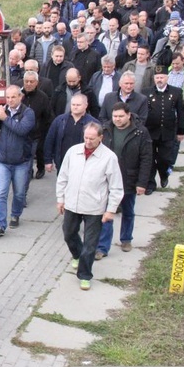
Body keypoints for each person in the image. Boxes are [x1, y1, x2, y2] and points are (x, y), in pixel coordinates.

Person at [56, 122, 124, 290]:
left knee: (90, 244)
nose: (88, 141)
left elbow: (116, 186)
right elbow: (63, 176)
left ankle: (85, 275)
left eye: (92, 139)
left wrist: (111, 209)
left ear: (100, 137)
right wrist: (60, 198)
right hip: (72, 203)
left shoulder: (109, 157)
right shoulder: (73, 152)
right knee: (68, 234)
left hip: (95, 207)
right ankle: (77, 255)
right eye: (86, 137)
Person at [96, 103, 153, 259]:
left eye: (121, 116)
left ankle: (126, 239)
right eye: (115, 116)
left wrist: (142, 183)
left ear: (129, 115)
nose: (117, 119)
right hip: (107, 179)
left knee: (128, 211)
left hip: (128, 178)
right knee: (107, 213)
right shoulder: (105, 130)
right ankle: (102, 247)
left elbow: (146, 158)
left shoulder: (141, 132)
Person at [0, 85, 35, 236]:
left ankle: (15, 213)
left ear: (20, 97)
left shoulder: (28, 113)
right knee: (0, 193)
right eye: (8, 97)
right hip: (2, 161)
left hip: (21, 161)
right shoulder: (3, 112)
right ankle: (0, 225)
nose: (10, 100)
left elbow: (22, 130)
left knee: (19, 193)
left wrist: (5, 118)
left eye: (13, 97)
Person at [144, 67, 184, 194]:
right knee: (150, 159)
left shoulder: (176, 92)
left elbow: (181, 113)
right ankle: (150, 183)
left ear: (167, 78)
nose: (159, 80)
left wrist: (180, 131)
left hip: (168, 132)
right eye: (157, 78)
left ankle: (163, 174)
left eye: (162, 77)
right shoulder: (146, 92)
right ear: (154, 79)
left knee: (164, 159)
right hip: (151, 131)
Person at [45, 94, 100, 173]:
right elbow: (50, 140)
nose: (75, 107)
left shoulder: (93, 123)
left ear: (86, 105)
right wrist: (48, 160)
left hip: (85, 163)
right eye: (73, 104)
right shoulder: (60, 120)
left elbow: (98, 144)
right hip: (62, 161)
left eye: (78, 105)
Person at [20, 70, 53, 180]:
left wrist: (45, 130)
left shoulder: (42, 97)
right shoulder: (18, 95)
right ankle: (28, 172)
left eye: (31, 81)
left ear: (36, 83)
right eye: (26, 81)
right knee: (26, 156)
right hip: (21, 132)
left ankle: (40, 168)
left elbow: (48, 115)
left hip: (37, 133)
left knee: (37, 152)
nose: (28, 84)